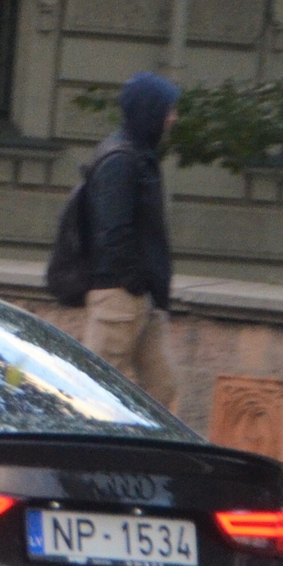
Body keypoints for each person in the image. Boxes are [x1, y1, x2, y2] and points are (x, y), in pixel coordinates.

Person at [81, 70, 180, 406]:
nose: (173, 118)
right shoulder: (121, 161)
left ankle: (154, 457)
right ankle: (88, 457)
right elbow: (114, 230)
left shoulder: (140, 156)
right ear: (149, 111)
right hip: (119, 297)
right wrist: (134, 281)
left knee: (162, 389)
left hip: (140, 297)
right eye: (168, 109)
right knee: (98, 392)